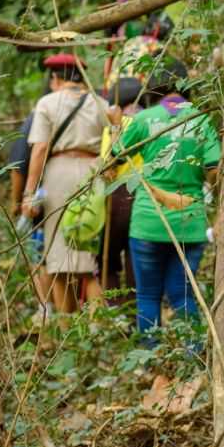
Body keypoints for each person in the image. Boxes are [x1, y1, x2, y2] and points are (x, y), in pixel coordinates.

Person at [111, 59, 221, 343]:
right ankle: (193, 357)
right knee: (183, 295)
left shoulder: (144, 119)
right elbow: (215, 170)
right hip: (190, 222)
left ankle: (150, 357)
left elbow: (114, 157)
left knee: (148, 295)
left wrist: (115, 127)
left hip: (149, 221)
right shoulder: (201, 119)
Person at [23, 54, 110, 313]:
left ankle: (65, 325)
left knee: (58, 261)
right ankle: (97, 329)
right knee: (88, 261)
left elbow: (40, 148)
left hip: (58, 174)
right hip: (93, 173)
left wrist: (29, 192)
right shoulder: (101, 103)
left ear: (55, 78)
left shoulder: (47, 103)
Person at [8, 77, 53, 318]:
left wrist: (17, 202)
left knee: (38, 257)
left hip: (39, 198)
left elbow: (18, 167)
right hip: (73, 192)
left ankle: (45, 309)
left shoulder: (35, 119)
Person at [98, 77, 145, 304]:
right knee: (136, 258)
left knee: (108, 259)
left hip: (119, 196)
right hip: (146, 195)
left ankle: (116, 310)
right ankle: (136, 309)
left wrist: (114, 127)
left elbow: (108, 166)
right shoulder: (150, 121)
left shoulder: (117, 126)